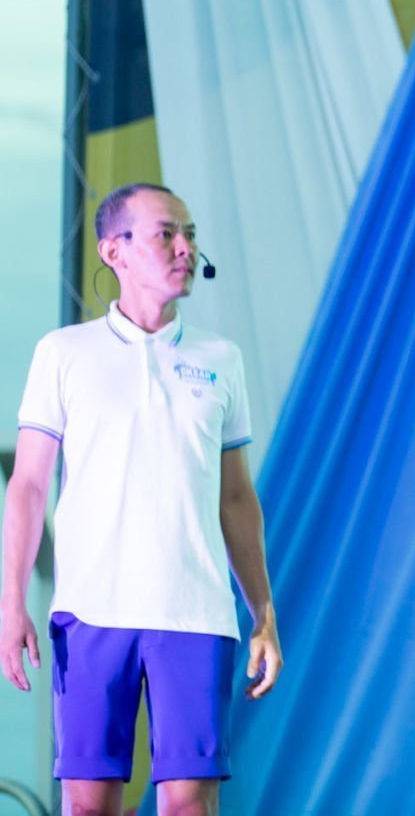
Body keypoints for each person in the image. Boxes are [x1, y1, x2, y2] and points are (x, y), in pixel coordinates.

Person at [2, 184, 282, 816]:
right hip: (89, 614)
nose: (185, 248)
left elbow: (237, 498)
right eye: (166, 234)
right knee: (88, 806)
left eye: (190, 234)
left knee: (189, 807)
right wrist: (11, 602)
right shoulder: (63, 353)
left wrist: (263, 614)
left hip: (197, 617)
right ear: (114, 251)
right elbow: (29, 485)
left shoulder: (221, 359)